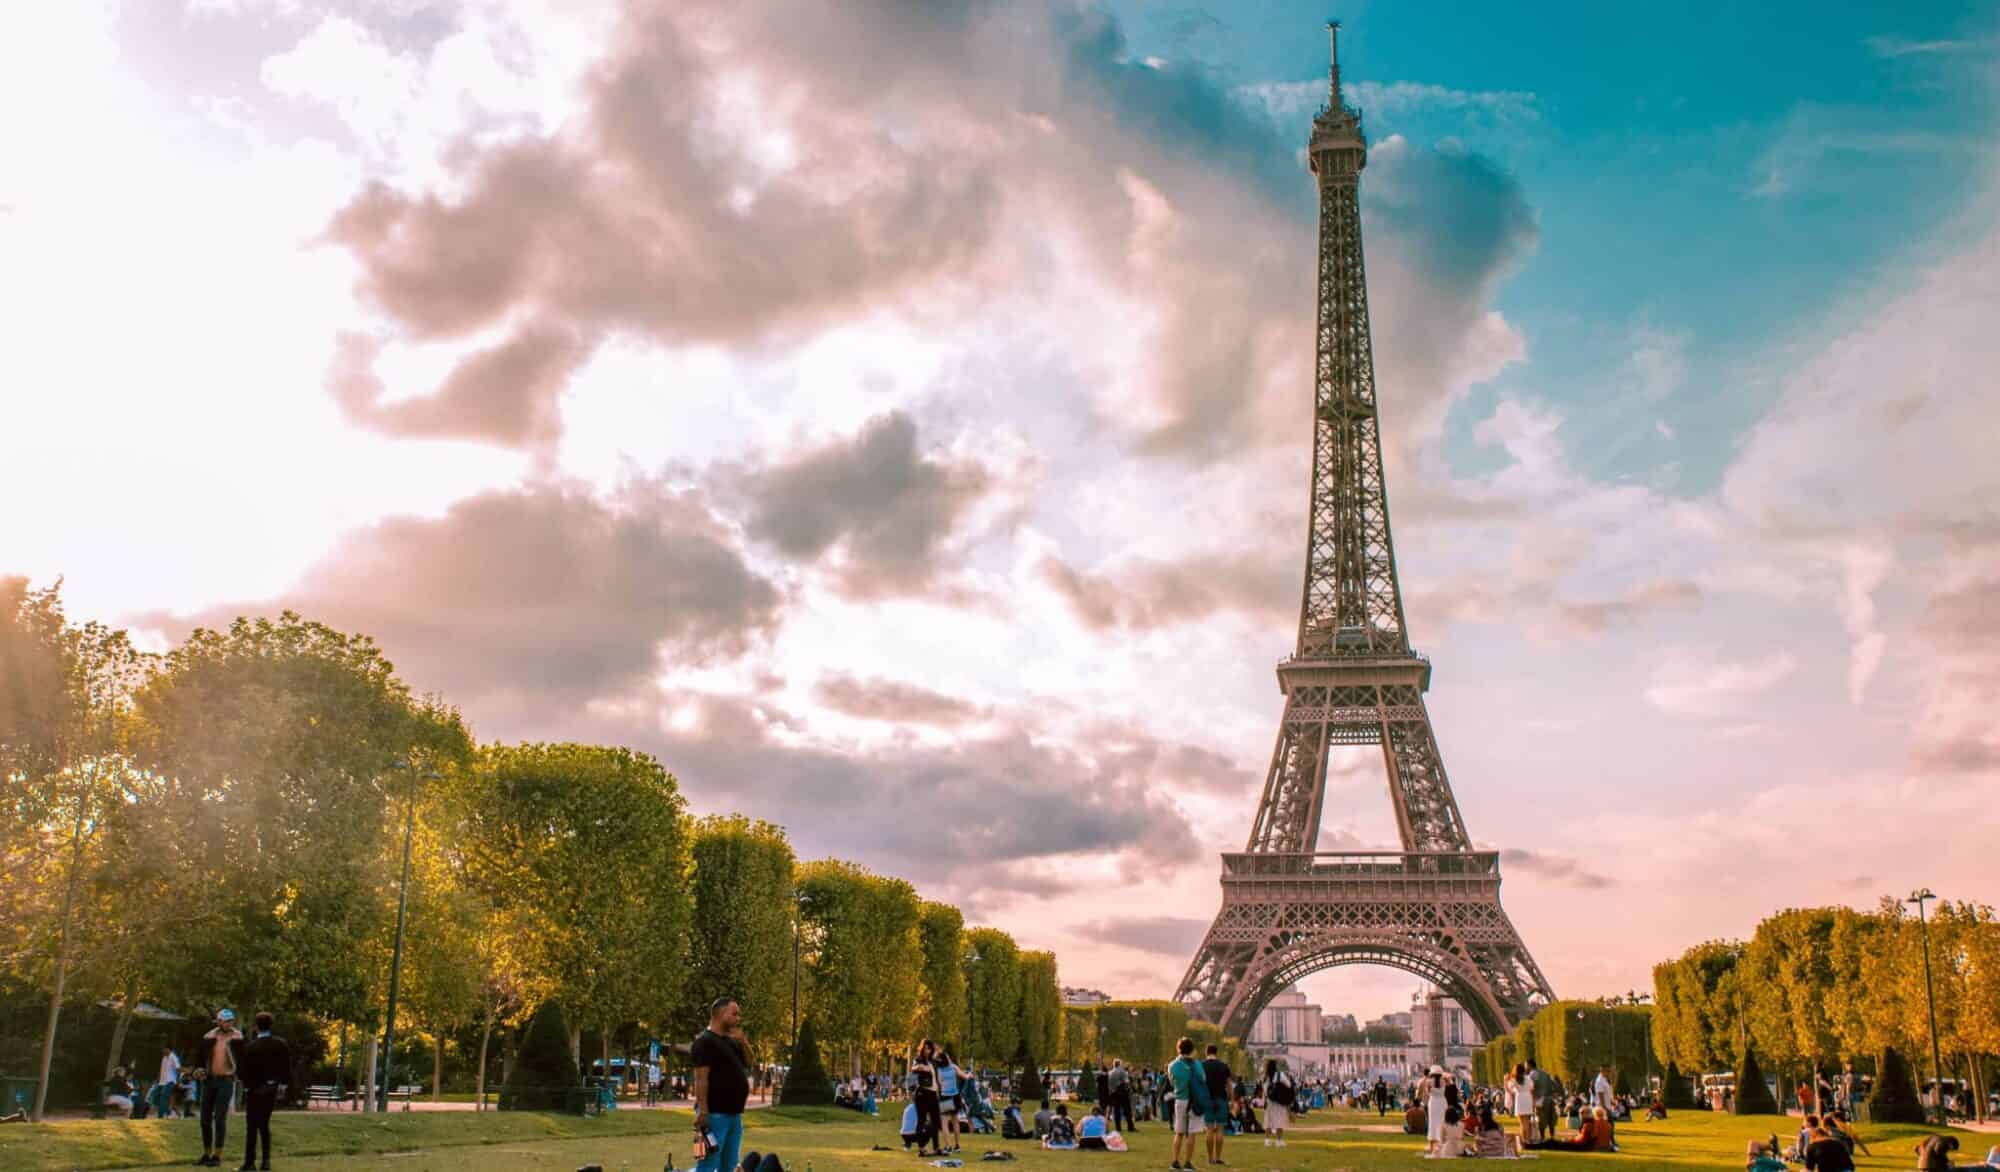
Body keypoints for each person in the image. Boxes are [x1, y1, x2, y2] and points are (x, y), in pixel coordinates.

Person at [692, 997, 753, 1172]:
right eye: (734, 1014)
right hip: (715, 1114)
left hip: (734, 1114)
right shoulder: (704, 1042)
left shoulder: (731, 1041)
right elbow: (701, 1078)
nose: (738, 1018)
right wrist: (703, 1111)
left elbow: (749, 1062)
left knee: (731, 1165)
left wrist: (743, 1042)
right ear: (720, 1013)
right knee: (709, 1163)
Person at [237, 1011, 290, 1172]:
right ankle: (266, 1161)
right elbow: (286, 1067)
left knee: (251, 1126)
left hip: (254, 1089)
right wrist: (282, 1085)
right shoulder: (281, 1044)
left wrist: (246, 1086)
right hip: (272, 1088)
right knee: (264, 1124)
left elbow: (244, 1070)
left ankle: (249, 1161)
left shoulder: (251, 1047)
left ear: (256, 1027)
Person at [196, 1008, 246, 1168]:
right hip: (209, 1080)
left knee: (220, 1118)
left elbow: (244, 1059)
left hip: (226, 1081)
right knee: (204, 1119)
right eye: (225, 1020)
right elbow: (200, 1057)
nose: (228, 1023)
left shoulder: (237, 1036)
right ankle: (206, 1153)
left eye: (231, 1020)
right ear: (218, 1021)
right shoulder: (209, 1036)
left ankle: (217, 1155)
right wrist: (198, 1070)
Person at [1167, 1037, 1208, 1171]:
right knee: (1191, 1134)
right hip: (1194, 1100)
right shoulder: (1197, 1064)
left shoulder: (1172, 1065)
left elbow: (1172, 1082)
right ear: (1192, 1050)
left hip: (1180, 1099)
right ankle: (1188, 1163)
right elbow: (1203, 1079)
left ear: (1178, 1049)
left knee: (1179, 1133)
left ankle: (1175, 1161)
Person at [907, 1039, 943, 1158]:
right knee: (921, 1121)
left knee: (936, 1121)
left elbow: (937, 1076)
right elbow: (913, 1068)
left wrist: (939, 1088)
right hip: (922, 1093)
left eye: (930, 1048)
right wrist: (922, 1067)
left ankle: (936, 1147)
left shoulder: (933, 1062)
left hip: (933, 1094)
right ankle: (922, 1148)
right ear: (922, 1049)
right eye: (926, 1048)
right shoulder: (919, 1060)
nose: (928, 1050)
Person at [1200, 1045, 1230, 1166]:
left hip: (1207, 1099)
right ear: (1216, 1053)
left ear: (1206, 1052)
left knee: (1209, 1129)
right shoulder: (1223, 1066)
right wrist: (1232, 1100)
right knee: (1220, 1129)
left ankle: (1210, 1158)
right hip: (1221, 1098)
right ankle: (1218, 1157)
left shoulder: (1202, 1066)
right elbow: (1228, 1084)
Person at [1259, 1059, 1293, 1148]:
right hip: (1279, 1101)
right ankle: (1279, 1140)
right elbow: (1288, 1085)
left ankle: (1267, 1140)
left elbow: (1264, 1089)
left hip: (1269, 1101)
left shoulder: (1264, 1077)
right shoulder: (1280, 1075)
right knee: (1280, 1120)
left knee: (1269, 1121)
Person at [936, 1046, 962, 1154]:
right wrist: (969, 1075)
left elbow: (939, 1084)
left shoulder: (939, 1071)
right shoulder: (954, 1067)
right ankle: (957, 1145)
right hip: (955, 1096)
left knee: (944, 1123)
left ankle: (948, 1146)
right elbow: (963, 1076)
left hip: (945, 1097)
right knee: (956, 1121)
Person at [1508, 1062, 1537, 1145]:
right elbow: (1532, 1089)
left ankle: (1524, 1140)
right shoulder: (1528, 1078)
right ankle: (1528, 1139)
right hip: (1527, 1098)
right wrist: (1533, 1101)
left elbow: (1510, 1090)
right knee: (1527, 1122)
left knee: (1522, 1123)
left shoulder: (1514, 1079)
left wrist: (1506, 1081)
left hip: (1519, 1098)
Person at [1422, 1065, 1450, 1149]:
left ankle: (1431, 1145)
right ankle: (1443, 1142)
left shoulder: (1428, 1082)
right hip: (1442, 1102)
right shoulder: (1444, 1081)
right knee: (1442, 1121)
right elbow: (1450, 1082)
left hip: (1433, 1102)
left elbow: (1427, 1093)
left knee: (1432, 1123)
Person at [152, 1046, 181, 1122]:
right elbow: (162, 1070)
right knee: (155, 1098)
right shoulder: (164, 1058)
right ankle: (168, 1113)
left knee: (163, 1097)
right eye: (162, 1049)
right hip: (162, 1082)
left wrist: (179, 1081)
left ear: (169, 1049)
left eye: (164, 1049)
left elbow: (178, 1069)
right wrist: (158, 1080)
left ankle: (164, 1115)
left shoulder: (173, 1057)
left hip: (170, 1081)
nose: (163, 1051)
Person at [1108, 1059, 1133, 1133]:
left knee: (1116, 1111)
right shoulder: (1122, 1072)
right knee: (1127, 1111)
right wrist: (1128, 1089)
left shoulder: (1110, 1073)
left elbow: (1108, 1085)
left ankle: (1118, 1128)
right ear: (1119, 1064)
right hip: (1122, 1093)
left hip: (1113, 1094)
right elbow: (1126, 1082)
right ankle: (1130, 1127)